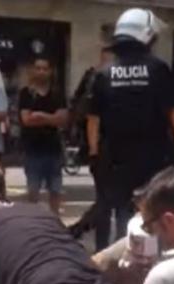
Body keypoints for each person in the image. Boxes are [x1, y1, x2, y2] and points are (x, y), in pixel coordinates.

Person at [87, 7, 174, 253]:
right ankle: (148, 258)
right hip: (153, 158)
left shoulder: (104, 74)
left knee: (120, 209)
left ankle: (122, 256)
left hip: (115, 159)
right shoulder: (157, 69)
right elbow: (172, 113)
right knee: (151, 210)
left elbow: (93, 119)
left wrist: (93, 154)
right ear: (145, 36)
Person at [68, 46, 114, 239]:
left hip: (99, 147)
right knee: (108, 200)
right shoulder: (99, 80)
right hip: (105, 147)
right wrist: (94, 150)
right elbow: (92, 118)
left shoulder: (92, 77)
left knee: (106, 200)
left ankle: (87, 233)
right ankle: (81, 229)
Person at [18, 55, 68, 215]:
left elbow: (63, 119)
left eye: (44, 69)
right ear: (33, 70)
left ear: (50, 71)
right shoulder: (26, 94)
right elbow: (26, 119)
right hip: (32, 150)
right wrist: (51, 118)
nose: (41, 72)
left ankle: (54, 222)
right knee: (33, 191)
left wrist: (41, 116)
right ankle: (34, 222)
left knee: (56, 190)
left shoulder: (57, 93)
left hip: (53, 149)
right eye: (38, 68)